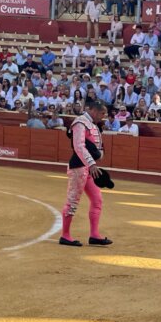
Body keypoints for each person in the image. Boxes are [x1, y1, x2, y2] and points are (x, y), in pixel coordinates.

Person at [59, 97, 112, 247]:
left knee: (97, 200)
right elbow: (79, 146)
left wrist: (97, 158)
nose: (103, 116)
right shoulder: (80, 122)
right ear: (92, 110)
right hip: (79, 167)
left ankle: (94, 235)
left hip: (88, 168)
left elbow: (97, 148)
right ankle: (65, 235)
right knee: (73, 201)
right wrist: (92, 163)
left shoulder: (93, 125)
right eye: (102, 113)